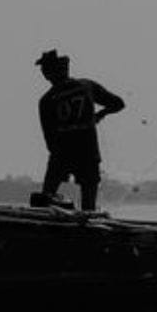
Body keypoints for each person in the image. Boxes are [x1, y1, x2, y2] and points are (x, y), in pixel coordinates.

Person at [36, 49, 125, 211]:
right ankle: (88, 228)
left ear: (49, 73)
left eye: (44, 70)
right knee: (88, 207)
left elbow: (49, 140)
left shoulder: (46, 100)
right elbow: (118, 104)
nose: (43, 74)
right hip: (88, 153)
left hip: (62, 155)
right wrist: (100, 114)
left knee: (44, 202)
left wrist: (60, 163)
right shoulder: (86, 86)